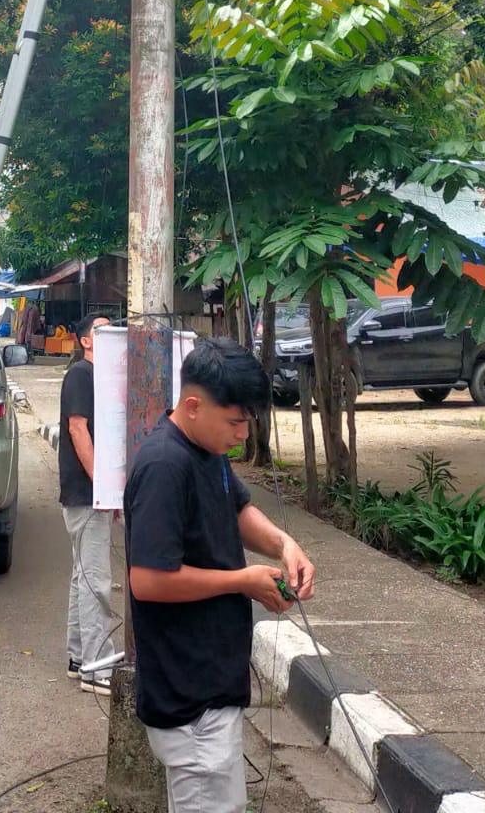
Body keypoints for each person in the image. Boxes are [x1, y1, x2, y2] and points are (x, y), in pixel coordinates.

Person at [124, 336, 317, 813]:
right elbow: (147, 581)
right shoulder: (165, 465)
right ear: (193, 405)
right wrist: (242, 580)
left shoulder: (207, 449)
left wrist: (283, 544)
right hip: (187, 693)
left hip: (212, 680)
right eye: (235, 422)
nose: (241, 435)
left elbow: (236, 509)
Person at [58, 315, 118, 693]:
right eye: (101, 329)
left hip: (88, 491)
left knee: (84, 575)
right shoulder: (81, 375)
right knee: (97, 580)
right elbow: (77, 428)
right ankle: (97, 668)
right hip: (86, 491)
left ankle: (79, 657)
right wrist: (103, 485)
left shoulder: (104, 378)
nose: (110, 333)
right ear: (85, 341)